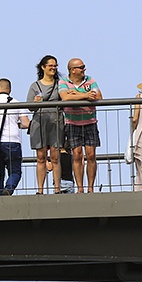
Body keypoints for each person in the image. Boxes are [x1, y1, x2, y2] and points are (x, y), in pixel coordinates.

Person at [59, 58, 102, 194]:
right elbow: (65, 97)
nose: (84, 69)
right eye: (81, 67)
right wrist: (85, 95)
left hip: (90, 122)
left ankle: (90, 187)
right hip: (72, 123)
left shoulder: (90, 80)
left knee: (91, 155)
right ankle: (80, 188)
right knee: (77, 155)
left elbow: (98, 96)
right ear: (72, 70)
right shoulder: (64, 81)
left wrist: (75, 95)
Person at [28, 55, 64, 194]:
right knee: (41, 157)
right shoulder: (35, 86)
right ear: (43, 67)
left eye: (55, 65)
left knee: (56, 157)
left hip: (56, 122)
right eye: (51, 65)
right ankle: (40, 189)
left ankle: (57, 188)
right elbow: (29, 106)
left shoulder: (60, 84)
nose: (53, 68)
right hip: (40, 122)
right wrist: (35, 102)